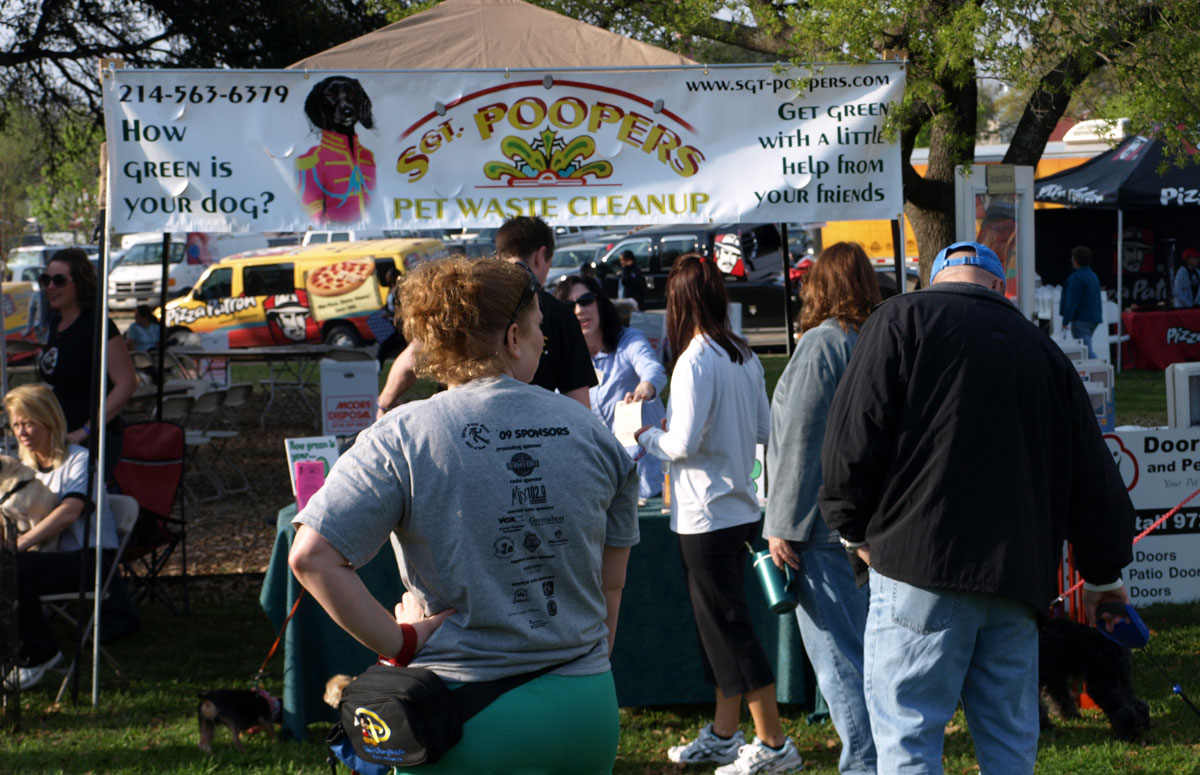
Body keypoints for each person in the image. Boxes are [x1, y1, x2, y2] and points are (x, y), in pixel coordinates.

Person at [290, 257, 639, 774]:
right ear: (513, 338)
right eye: (539, 329)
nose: (545, 341)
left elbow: (312, 557)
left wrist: (400, 641)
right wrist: (584, 665)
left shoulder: (402, 435)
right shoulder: (592, 431)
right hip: (585, 707)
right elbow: (612, 584)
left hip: (462, 714)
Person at [819, 241, 1135, 775]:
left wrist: (853, 533)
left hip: (919, 565)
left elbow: (851, 441)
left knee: (909, 741)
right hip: (1015, 581)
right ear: (1000, 288)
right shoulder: (1043, 350)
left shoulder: (900, 318)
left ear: (937, 279)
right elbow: (1093, 475)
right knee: (1010, 745)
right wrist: (1104, 576)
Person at [635, 254, 802, 775]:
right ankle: (726, 732)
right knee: (720, 628)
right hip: (736, 509)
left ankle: (773, 743)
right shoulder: (743, 354)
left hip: (705, 515)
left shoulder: (695, 359)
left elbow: (681, 443)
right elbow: (762, 431)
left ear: (679, 302)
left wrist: (646, 435)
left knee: (728, 629)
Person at [764, 242, 880, 775]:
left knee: (838, 659)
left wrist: (781, 524)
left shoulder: (822, 344)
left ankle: (864, 764)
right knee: (865, 656)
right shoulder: (871, 339)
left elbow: (803, 439)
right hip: (865, 522)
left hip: (820, 526)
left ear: (820, 286)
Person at [376, 216, 596, 415]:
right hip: (535, 435)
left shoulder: (464, 299)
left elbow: (412, 358)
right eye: (537, 326)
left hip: (455, 424)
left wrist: (384, 404)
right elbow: (580, 406)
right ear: (541, 255)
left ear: (498, 254)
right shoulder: (558, 313)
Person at [3, 385, 131, 691]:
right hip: (42, 560)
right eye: (16, 424)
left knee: (10, 568)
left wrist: (18, 546)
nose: (22, 432)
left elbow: (70, 512)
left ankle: (40, 654)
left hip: (88, 560)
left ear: (50, 419)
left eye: (29, 422)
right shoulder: (23, 468)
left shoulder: (79, 460)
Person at [556, 275, 666, 500]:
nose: (579, 310)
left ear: (600, 302)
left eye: (586, 300)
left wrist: (646, 386)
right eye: (570, 305)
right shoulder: (567, 361)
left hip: (651, 480)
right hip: (608, 488)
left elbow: (652, 368)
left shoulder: (629, 339)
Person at [36, 248, 137, 480]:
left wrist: (86, 430)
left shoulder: (97, 325)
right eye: (45, 280)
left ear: (79, 283)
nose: (50, 287)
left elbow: (127, 383)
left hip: (91, 440)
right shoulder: (56, 323)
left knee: (79, 500)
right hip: (60, 434)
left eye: (59, 280)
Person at [1059, 245, 1102, 358]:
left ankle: (1098, 367)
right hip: (1093, 318)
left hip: (1081, 319)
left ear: (1076, 260)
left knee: (1085, 351)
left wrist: (1065, 321)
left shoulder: (1076, 277)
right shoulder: (1093, 276)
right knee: (1085, 348)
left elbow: (1071, 301)